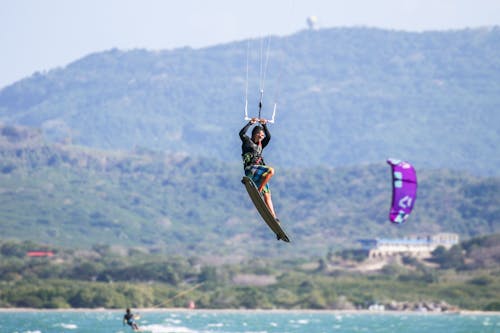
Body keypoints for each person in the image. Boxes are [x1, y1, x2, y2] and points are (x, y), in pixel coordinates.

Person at [239, 118, 278, 221]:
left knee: (268, 194)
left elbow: (268, 137)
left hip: (259, 173)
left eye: (263, 135)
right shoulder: (247, 141)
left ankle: (274, 216)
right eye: (261, 134)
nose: (262, 136)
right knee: (271, 171)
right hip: (250, 170)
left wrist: (264, 125)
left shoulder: (261, 145)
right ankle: (259, 189)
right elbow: (241, 134)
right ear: (256, 134)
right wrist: (250, 123)